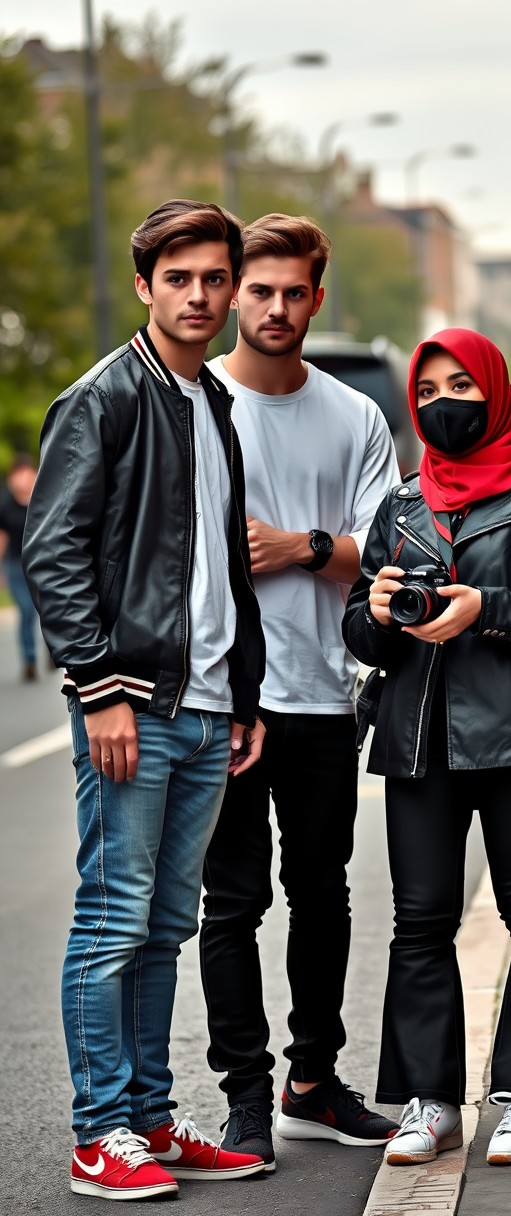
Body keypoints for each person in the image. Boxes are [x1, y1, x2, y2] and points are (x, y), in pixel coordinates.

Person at [22, 199, 269, 1201]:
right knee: (114, 920)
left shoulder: (212, 400)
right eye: (181, 278)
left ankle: (150, 1117)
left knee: (166, 923)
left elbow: (216, 564)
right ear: (145, 285)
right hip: (135, 705)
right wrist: (97, 689)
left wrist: (240, 691)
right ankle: (97, 1133)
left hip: (205, 707)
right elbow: (54, 550)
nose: (200, 295)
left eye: (215, 278)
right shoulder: (104, 398)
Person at [342, 328, 511, 1168]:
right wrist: (378, 612)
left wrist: (486, 605)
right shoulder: (401, 503)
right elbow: (361, 626)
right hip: (417, 737)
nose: (441, 402)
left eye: (459, 384)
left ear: (493, 386)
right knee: (419, 922)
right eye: (426, 391)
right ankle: (430, 1101)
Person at [198, 213, 401, 1168]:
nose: (278, 308)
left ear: (318, 298)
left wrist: (302, 547)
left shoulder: (355, 417)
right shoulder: (198, 407)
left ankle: (312, 1082)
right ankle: (244, 1098)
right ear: (237, 292)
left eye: (295, 293)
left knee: (323, 897)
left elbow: (390, 553)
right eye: (261, 291)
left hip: (324, 694)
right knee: (231, 903)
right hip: (222, 698)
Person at [0, 454, 40, 681]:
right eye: (18, 474)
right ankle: (30, 660)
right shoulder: (5, 506)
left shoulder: (43, 501)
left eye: (27, 473)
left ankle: (53, 652)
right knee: (26, 611)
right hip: (15, 565)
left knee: (46, 611)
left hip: (40, 565)